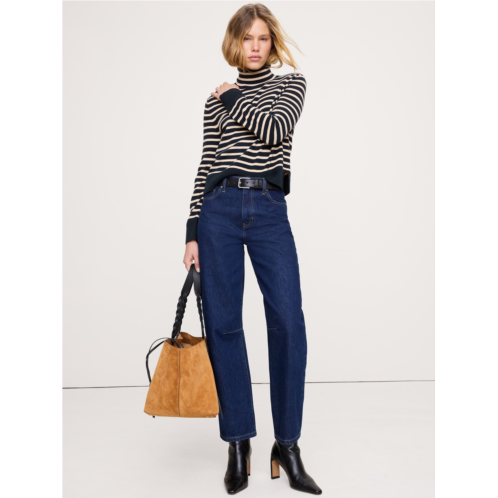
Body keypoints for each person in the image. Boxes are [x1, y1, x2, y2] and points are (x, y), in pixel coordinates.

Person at [183, 3, 322, 495]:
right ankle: (238, 442)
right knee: (224, 325)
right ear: (235, 43)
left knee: (288, 321)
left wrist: (231, 97)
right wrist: (192, 230)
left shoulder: (290, 85)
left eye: (263, 37)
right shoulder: (214, 102)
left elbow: (274, 129)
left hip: (268, 208)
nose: (256, 46)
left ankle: (287, 444)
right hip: (218, 211)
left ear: (272, 41)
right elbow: (206, 163)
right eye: (247, 38)